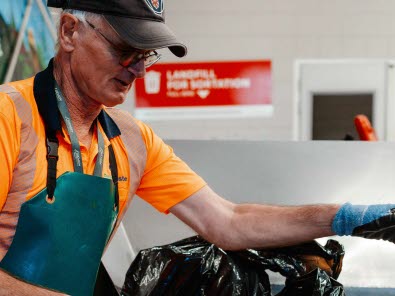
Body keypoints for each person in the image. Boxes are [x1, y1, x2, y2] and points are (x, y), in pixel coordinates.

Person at [0, 0, 394, 295]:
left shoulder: (132, 141)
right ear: (70, 31)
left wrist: (346, 217)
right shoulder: (9, 117)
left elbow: (229, 220)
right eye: (125, 50)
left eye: (145, 56)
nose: (137, 69)